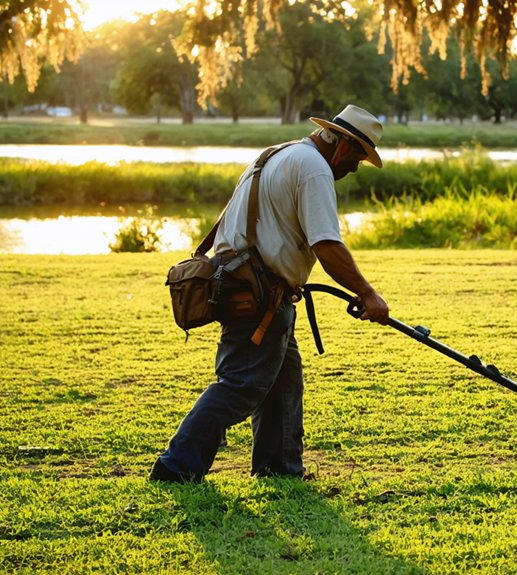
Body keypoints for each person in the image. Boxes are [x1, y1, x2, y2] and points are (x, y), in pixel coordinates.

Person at [149, 105, 390, 483]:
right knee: (241, 384)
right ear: (342, 146)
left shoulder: (277, 154)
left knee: (283, 380)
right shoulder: (314, 169)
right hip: (260, 294)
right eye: (359, 157)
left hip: (248, 286)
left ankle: (278, 469)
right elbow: (327, 245)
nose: (355, 169)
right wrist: (368, 293)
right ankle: (176, 466)